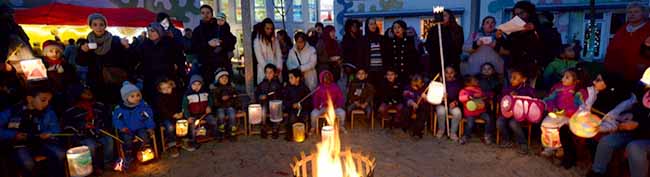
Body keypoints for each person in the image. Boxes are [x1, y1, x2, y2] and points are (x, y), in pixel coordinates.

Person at [0, 87, 65, 177]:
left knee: (60, 154)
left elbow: (56, 128)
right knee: (28, 163)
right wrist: (13, 134)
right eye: (43, 100)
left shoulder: (48, 112)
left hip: (41, 142)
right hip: (19, 145)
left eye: (49, 101)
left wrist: (48, 133)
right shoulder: (13, 111)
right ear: (30, 99)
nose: (46, 104)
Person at [77, 13, 131, 105]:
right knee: (99, 105)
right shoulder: (87, 42)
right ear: (91, 26)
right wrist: (82, 52)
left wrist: (126, 47)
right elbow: (81, 62)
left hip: (113, 79)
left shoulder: (115, 40)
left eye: (101, 24)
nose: (98, 27)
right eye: (95, 24)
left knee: (114, 103)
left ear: (105, 26)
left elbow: (126, 59)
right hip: (95, 80)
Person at [539, 69, 588, 168]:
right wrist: (551, 108)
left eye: (567, 77)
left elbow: (582, 108)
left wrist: (568, 112)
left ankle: (560, 149)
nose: (563, 79)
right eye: (563, 76)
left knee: (560, 128)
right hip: (556, 113)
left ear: (576, 81)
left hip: (570, 117)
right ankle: (549, 148)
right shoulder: (558, 88)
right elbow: (549, 99)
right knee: (546, 124)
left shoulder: (579, 93)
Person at [62, 85, 113, 174]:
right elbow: (67, 126)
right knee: (91, 146)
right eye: (84, 92)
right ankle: (94, 166)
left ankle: (107, 163)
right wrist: (81, 126)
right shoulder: (71, 110)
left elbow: (106, 118)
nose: (88, 93)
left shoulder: (98, 105)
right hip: (83, 136)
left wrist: (101, 125)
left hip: (98, 132)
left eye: (89, 90)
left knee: (109, 140)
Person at [133, 23, 185, 102]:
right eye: (148, 31)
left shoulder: (169, 42)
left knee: (168, 101)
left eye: (153, 31)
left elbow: (179, 58)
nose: (150, 33)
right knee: (152, 101)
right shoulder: (145, 44)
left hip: (167, 78)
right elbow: (137, 58)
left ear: (159, 31)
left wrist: (179, 72)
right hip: (150, 79)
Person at [497, 1, 545, 83]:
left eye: (522, 13)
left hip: (531, 64)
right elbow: (507, 45)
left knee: (529, 90)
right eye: (516, 14)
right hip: (514, 63)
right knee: (513, 88)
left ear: (529, 12)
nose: (519, 16)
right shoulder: (513, 28)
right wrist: (500, 37)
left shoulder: (539, 26)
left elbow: (544, 44)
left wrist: (534, 29)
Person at [112, 81, 154, 169]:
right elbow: (116, 119)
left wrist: (150, 127)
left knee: (144, 136)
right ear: (126, 98)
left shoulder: (143, 106)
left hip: (140, 127)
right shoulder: (120, 109)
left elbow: (148, 117)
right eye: (132, 96)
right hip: (127, 129)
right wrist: (122, 127)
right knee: (127, 139)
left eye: (138, 95)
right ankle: (128, 154)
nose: (136, 98)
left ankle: (144, 151)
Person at [604, 2, 650, 81]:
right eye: (630, 12)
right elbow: (611, 50)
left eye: (636, 12)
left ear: (643, 13)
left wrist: (644, 65)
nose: (632, 14)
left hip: (641, 76)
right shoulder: (621, 30)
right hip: (617, 74)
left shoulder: (648, 30)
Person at [497, 69, 535, 154]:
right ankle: (507, 140)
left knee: (513, 123)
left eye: (514, 78)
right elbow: (500, 99)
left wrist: (519, 95)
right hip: (507, 113)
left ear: (523, 79)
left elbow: (532, 99)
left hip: (520, 114)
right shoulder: (508, 89)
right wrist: (508, 96)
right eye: (511, 77)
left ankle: (523, 143)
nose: (511, 80)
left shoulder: (528, 89)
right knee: (499, 122)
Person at [41, 40, 77, 114]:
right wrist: (48, 72)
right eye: (51, 51)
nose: (54, 53)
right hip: (47, 96)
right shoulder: (41, 64)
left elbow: (73, 80)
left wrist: (63, 74)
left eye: (57, 51)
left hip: (64, 96)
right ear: (45, 52)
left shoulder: (66, 65)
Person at [426, 9, 464, 74]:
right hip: (437, 61)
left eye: (444, 16)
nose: (442, 18)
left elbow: (459, 45)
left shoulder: (457, 29)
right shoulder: (433, 30)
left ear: (450, 17)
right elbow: (429, 45)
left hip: (452, 61)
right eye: (441, 16)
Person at [153, 78, 184, 158]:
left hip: (177, 114)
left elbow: (181, 104)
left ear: (172, 86)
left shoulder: (176, 94)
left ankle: (184, 140)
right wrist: (173, 115)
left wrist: (181, 112)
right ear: (160, 90)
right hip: (166, 117)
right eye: (164, 89)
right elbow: (163, 110)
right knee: (170, 127)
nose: (166, 90)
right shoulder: (160, 98)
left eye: (168, 87)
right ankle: (172, 145)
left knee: (184, 122)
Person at [181, 74, 216, 146]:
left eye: (199, 84)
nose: (196, 86)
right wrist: (188, 117)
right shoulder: (187, 95)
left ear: (202, 84)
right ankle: (193, 141)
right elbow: (185, 107)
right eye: (194, 84)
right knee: (193, 126)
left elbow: (210, 100)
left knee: (213, 121)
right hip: (193, 114)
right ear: (190, 84)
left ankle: (214, 134)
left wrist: (209, 106)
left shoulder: (205, 92)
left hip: (204, 113)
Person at [458, 75, 493, 145]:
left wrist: (487, 96)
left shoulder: (478, 89)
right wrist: (470, 96)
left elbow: (485, 95)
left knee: (489, 119)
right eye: (475, 80)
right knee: (470, 124)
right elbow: (461, 98)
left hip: (480, 111)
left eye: (477, 80)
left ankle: (487, 135)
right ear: (468, 83)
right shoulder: (464, 91)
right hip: (470, 113)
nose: (477, 81)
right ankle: (465, 136)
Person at [209, 69, 241, 141]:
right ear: (218, 79)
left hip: (230, 106)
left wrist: (238, 107)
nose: (224, 79)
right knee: (221, 115)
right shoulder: (215, 89)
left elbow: (236, 97)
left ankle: (232, 132)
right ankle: (222, 131)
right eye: (222, 78)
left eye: (226, 78)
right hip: (220, 107)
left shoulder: (231, 88)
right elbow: (214, 100)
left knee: (232, 114)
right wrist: (221, 99)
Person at [383, 20, 418, 84]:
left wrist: (413, 72)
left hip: (408, 73)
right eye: (394, 28)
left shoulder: (410, 41)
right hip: (394, 74)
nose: (397, 30)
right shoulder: (389, 42)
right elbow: (387, 57)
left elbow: (414, 57)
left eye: (399, 27)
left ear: (403, 29)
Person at [281, 69, 312, 141]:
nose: (289, 80)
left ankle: (302, 133)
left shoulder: (304, 88)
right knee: (292, 117)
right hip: (291, 109)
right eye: (289, 78)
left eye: (291, 78)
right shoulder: (288, 88)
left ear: (297, 78)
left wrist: (301, 105)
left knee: (304, 116)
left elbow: (309, 100)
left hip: (303, 109)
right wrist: (292, 104)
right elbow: (285, 100)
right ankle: (291, 134)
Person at [435, 66, 463, 141]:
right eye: (447, 72)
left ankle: (453, 132)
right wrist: (441, 97)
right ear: (444, 73)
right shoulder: (440, 82)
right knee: (441, 111)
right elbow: (434, 95)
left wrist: (456, 102)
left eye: (451, 72)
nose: (449, 74)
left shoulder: (458, 83)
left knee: (457, 113)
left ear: (455, 73)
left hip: (452, 104)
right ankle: (441, 130)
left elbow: (462, 96)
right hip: (442, 104)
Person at [255, 64, 283, 139]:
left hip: (274, 104)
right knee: (263, 110)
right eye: (267, 72)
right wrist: (261, 96)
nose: (268, 74)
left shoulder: (278, 84)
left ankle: (275, 129)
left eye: (271, 72)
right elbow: (257, 94)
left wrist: (275, 96)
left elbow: (281, 95)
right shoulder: (262, 84)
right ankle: (264, 128)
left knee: (276, 107)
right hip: (265, 103)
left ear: (274, 73)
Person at [254, 18, 283, 83]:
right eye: (267, 28)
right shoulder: (257, 41)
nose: (270, 31)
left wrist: (278, 68)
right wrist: (269, 71)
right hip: (264, 72)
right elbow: (259, 58)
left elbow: (279, 55)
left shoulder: (275, 40)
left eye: (271, 29)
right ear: (263, 28)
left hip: (276, 72)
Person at [403, 74, 430, 139]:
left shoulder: (425, 89)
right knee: (406, 110)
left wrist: (426, 98)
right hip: (410, 105)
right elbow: (405, 97)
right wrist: (412, 103)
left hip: (421, 107)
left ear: (422, 84)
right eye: (413, 85)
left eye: (417, 85)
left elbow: (431, 100)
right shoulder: (407, 87)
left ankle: (417, 132)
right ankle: (406, 127)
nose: (414, 87)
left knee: (423, 113)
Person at [365, 18, 384, 85]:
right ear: (367, 26)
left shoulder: (381, 38)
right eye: (371, 24)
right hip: (370, 71)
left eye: (374, 23)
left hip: (381, 70)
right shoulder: (364, 39)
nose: (373, 26)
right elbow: (361, 55)